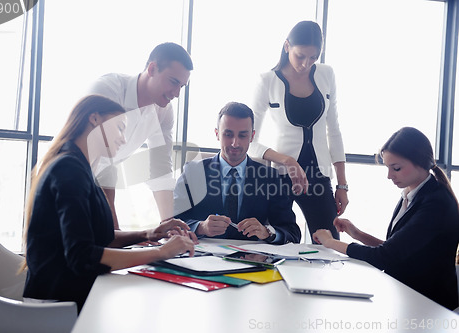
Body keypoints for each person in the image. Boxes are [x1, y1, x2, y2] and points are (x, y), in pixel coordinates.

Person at [22, 95, 196, 311]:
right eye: (120, 128)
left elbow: (95, 239)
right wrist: (161, 253)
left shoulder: (79, 167)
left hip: (71, 295)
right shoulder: (69, 169)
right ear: (94, 119)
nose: (124, 139)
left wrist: (147, 234)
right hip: (57, 306)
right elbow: (83, 256)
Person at [313, 127, 459, 310]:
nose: (389, 176)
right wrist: (356, 233)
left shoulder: (436, 203)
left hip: (429, 305)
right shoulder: (410, 193)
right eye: (388, 167)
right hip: (407, 296)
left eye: (396, 168)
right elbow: (396, 250)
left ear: (421, 162)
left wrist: (330, 242)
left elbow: (384, 257)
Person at [249, 21, 347, 240]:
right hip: (281, 177)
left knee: (328, 244)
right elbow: (249, 140)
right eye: (300, 56)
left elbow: (334, 130)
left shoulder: (326, 74)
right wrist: (287, 161)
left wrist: (342, 184)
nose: (306, 64)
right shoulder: (267, 81)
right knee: (276, 240)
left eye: (313, 58)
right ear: (286, 47)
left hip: (319, 177)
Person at [87, 42, 193, 229]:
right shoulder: (108, 90)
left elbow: (160, 168)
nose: (176, 94)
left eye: (182, 86)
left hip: (104, 181)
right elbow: (93, 155)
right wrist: (114, 231)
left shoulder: (164, 112)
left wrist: (169, 225)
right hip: (69, 179)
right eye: (173, 82)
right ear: (152, 69)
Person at [174, 102, 301, 244]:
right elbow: (169, 223)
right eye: (228, 135)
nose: (235, 143)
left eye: (242, 135)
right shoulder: (192, 172)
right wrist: (200, 227)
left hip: (254, 261)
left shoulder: (271, 178)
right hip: (201, 259)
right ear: (217, 134)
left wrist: (267, 232)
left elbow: (292, 233)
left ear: (252, 137)